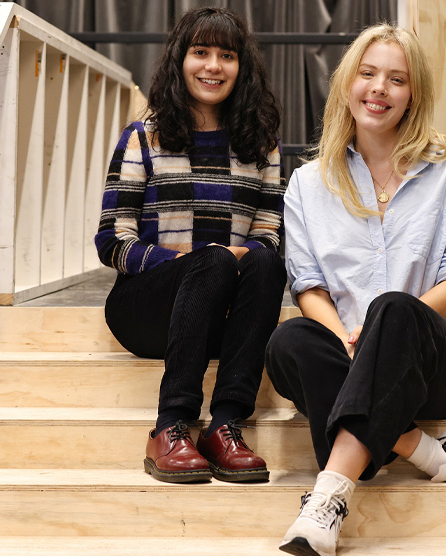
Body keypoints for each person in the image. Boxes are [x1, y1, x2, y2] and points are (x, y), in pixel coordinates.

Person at [264, 23, 446, 556]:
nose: (379, 88)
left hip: (437, 364)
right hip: (350, 358)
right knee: (288, 344)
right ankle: (431, 454)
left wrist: (384, 325)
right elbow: (308, 288)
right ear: (347, 84)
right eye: (367, 74)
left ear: (414, 95)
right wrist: (346, 338)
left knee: (394, 309)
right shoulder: (308, 184)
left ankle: (329, 495)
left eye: (396, 79)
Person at [95, 7, 285, 484]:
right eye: (200, 52)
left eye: (227, 55)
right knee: (213, 262)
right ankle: (170, 425)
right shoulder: (143, 138)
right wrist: (189, 262)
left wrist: (235, 259)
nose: (213, 66)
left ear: (243, 69)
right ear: (180, 60)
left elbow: (269, 234)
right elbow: (111, 239)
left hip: (222, 316)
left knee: (267, 266)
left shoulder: (262, 146)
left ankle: (225, 426)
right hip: (147, 310)